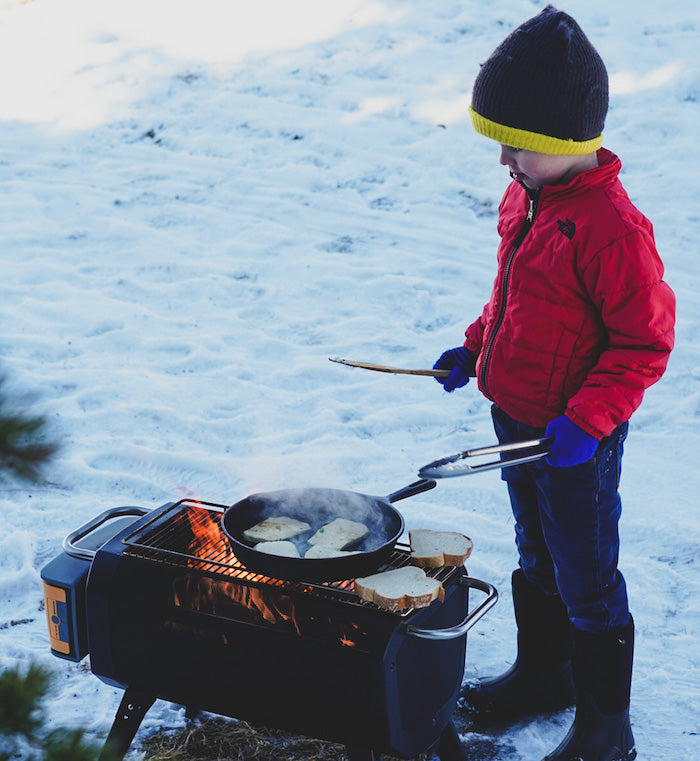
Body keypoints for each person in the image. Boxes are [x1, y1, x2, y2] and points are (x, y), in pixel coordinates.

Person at [433, 6, 675, 761]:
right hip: (518, 420)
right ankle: (545, 675)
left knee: (587, 575)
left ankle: (607, 729)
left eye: (519, 147)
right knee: (536, 552)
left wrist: (590, 421)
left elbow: (645, 341)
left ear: (569, 142)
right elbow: (514, 294)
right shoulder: (531, 195)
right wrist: (476, 348)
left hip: (575, 437)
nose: (506, 159)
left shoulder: (612, 227)